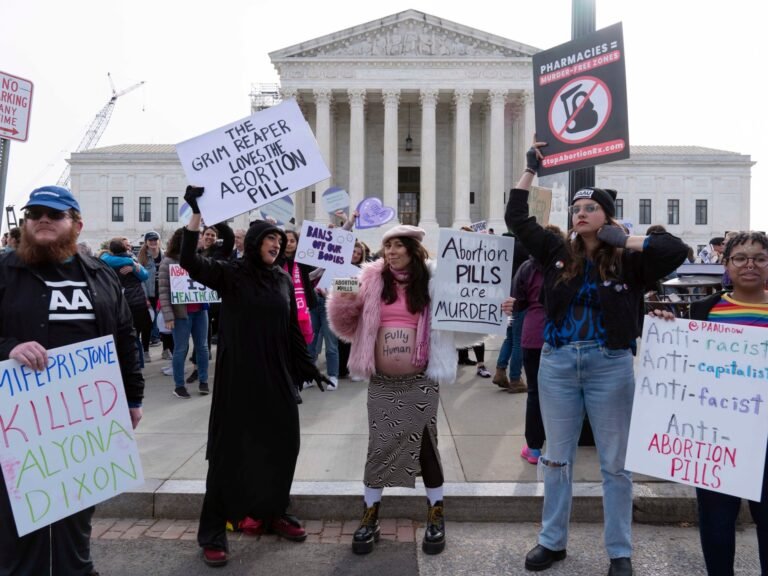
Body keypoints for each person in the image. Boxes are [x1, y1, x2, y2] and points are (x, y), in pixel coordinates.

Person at [506, 143, 688, 576]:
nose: (581, 213)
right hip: (559, 364)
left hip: (610, 364)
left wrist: (625, 238)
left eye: (591, 208)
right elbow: (517, 217)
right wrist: (530, 169)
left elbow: (675, 249)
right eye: (577, 208)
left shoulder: (629, 259)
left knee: (615, 464)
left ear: (607, 215)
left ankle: (619, 551)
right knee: (556, 457)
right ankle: (552, 541)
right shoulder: (555, 252)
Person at [179, 186, 330, 567]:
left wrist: (309, 367)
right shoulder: (231, 274)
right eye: (270, 239)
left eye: (280, 240)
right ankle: (214, 532)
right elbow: (190, 261)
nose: (277, 245)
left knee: (284, 447)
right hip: (240, 379)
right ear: (256, 243)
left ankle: (273, 511)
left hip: (276, 378)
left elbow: (291, 329)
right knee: (230, 457)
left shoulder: (281, 278)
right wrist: (197, 213)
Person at [0, 185, 144, 575]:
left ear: (76, 225)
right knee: (17, 530)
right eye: (35, 213)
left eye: (55, 214)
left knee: (75, 524)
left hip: (81, 429)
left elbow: (124, 338)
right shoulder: (4, 272)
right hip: (17, 430)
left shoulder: (100, 276)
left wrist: (132, 399)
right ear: (25, 223)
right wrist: (9, 347)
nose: (43, 219)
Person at [327, 225, 486, 556]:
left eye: (398, 246)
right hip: (383, 383)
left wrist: (494, 311)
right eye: (387, 247)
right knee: (379, 447)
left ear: (413, 250)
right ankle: (370, 516)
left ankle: (436, 513)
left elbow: (463, 321)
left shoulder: (433, 283)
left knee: (426, 446)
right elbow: (345, 324)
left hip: (420, 382)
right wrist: (341, 295)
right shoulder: (369, 280)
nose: (391, 252)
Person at [684, 231, 768, 576]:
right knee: (717, 526)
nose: (750, 264)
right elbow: (685, 367)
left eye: (760, 258)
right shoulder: (703, 310)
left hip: (766, 440)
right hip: (718, 438)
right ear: (727, 265)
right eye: (741, 258)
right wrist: (667, 330)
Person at [511, 224, 564, 464]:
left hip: (533, 334)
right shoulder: (567, 267)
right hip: (561, 335)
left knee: (534, 392)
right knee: (562, 394)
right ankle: (558, 445)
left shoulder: (527, 268)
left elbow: (518, 302)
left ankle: (533, 448)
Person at [158, 227, 210, 398]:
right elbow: (164, 291)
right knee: (181, 349)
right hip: (181, 314)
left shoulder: (199, 258)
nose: (196, 243)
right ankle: (179, 385)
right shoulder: (168, 262)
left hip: (200, 310)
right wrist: (168, 316)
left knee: (202, 348)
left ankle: (203, 381)